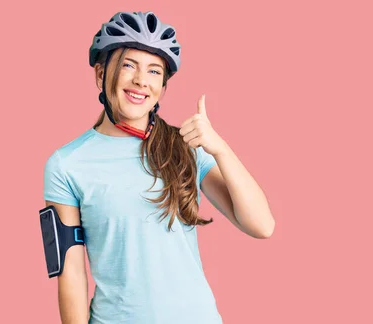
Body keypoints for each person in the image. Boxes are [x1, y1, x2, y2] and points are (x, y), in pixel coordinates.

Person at [43, 11, 275, 324]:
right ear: (100, 74)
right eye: (128, 65)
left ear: (162, 89)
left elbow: (262, 226)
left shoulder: (185, 147)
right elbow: (69, 272)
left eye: (154, 71)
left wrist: (220, 148)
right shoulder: (66, 164)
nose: (141, 80)